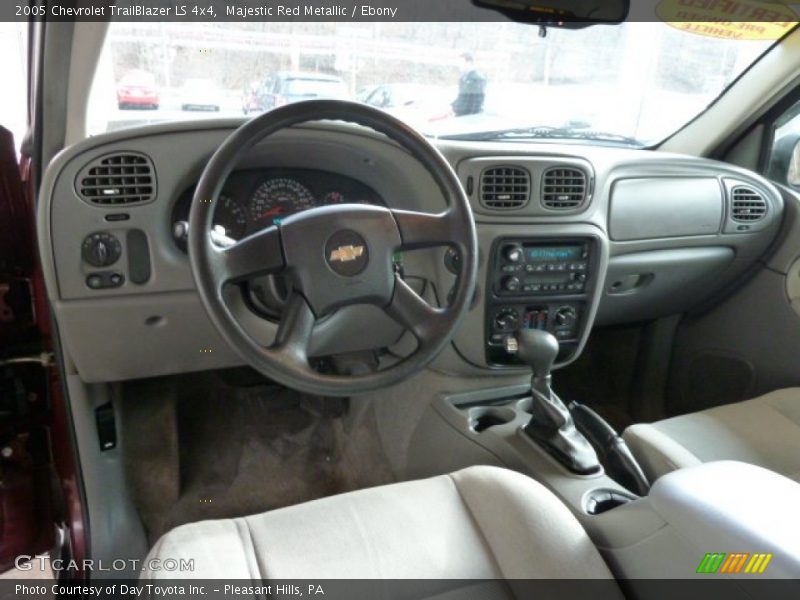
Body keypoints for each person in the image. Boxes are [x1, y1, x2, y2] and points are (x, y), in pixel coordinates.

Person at [451, 52, 487, 117]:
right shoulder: (463, 77)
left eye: (460, 62)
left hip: (469, 117)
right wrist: (452, 106)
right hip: (460, 114)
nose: (458, 65)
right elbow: (461, 97)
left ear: (469, 62)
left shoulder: (477, 78)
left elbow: (476, 102)